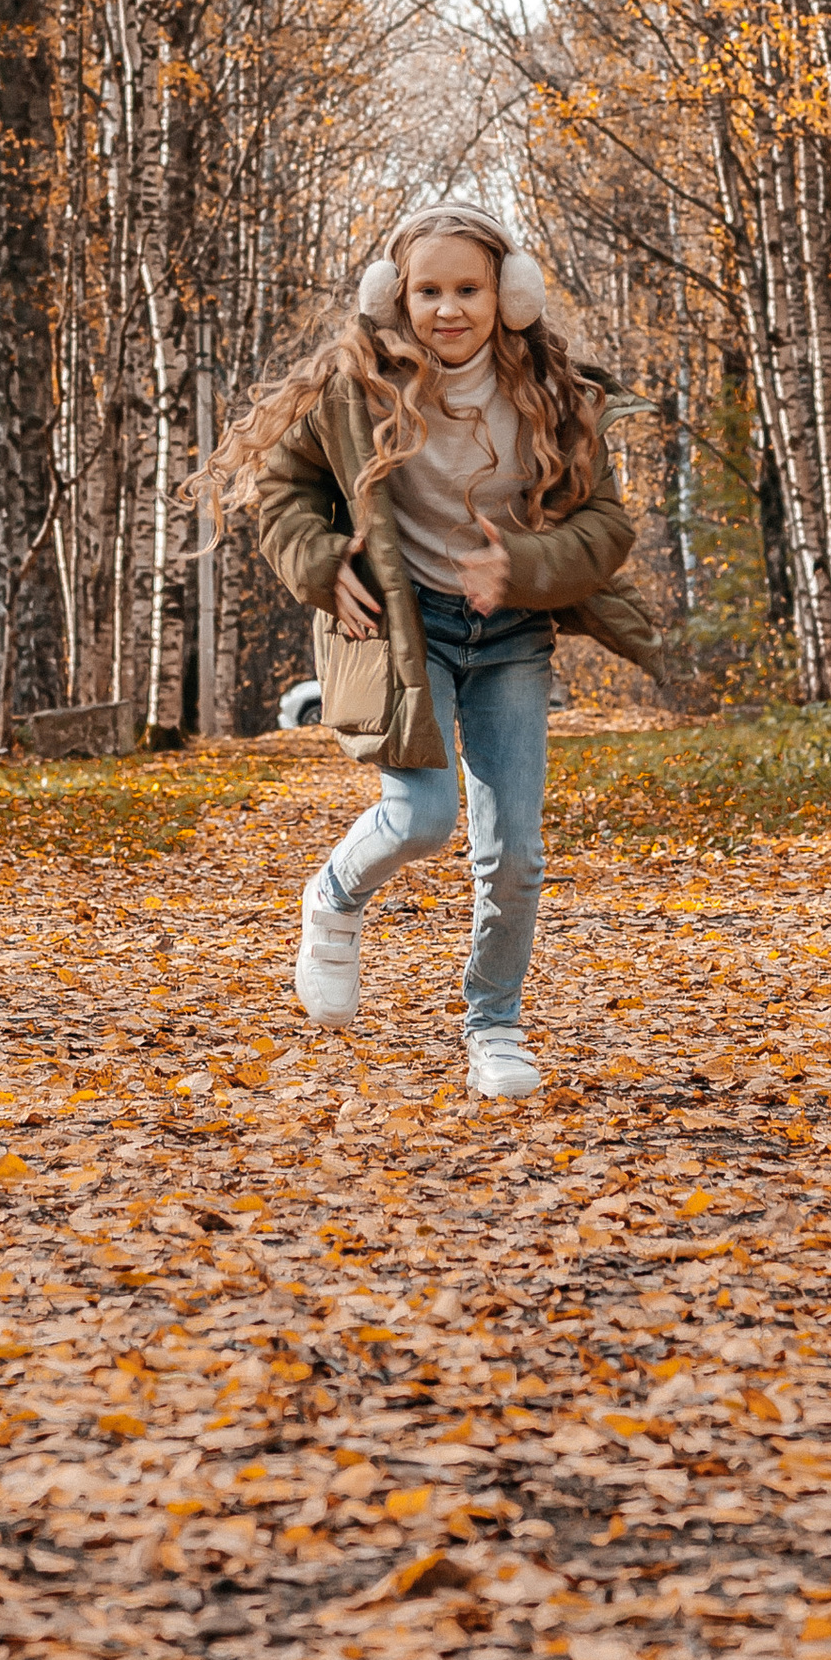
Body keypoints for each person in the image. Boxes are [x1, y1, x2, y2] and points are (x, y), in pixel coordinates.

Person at [205, 203, 663, 1101]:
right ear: (394, 296)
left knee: (515, 853)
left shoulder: (558, 397)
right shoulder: (358, 386)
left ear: (510, 295)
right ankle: (333, 899)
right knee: (421, 819)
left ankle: (494, 1026)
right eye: (427, 291)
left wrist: (523, 564)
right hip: (404, 635)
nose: (447, 309)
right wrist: (314, 562)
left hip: (512, 635)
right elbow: (281, 487)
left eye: (469, 289)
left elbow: (608, 526)